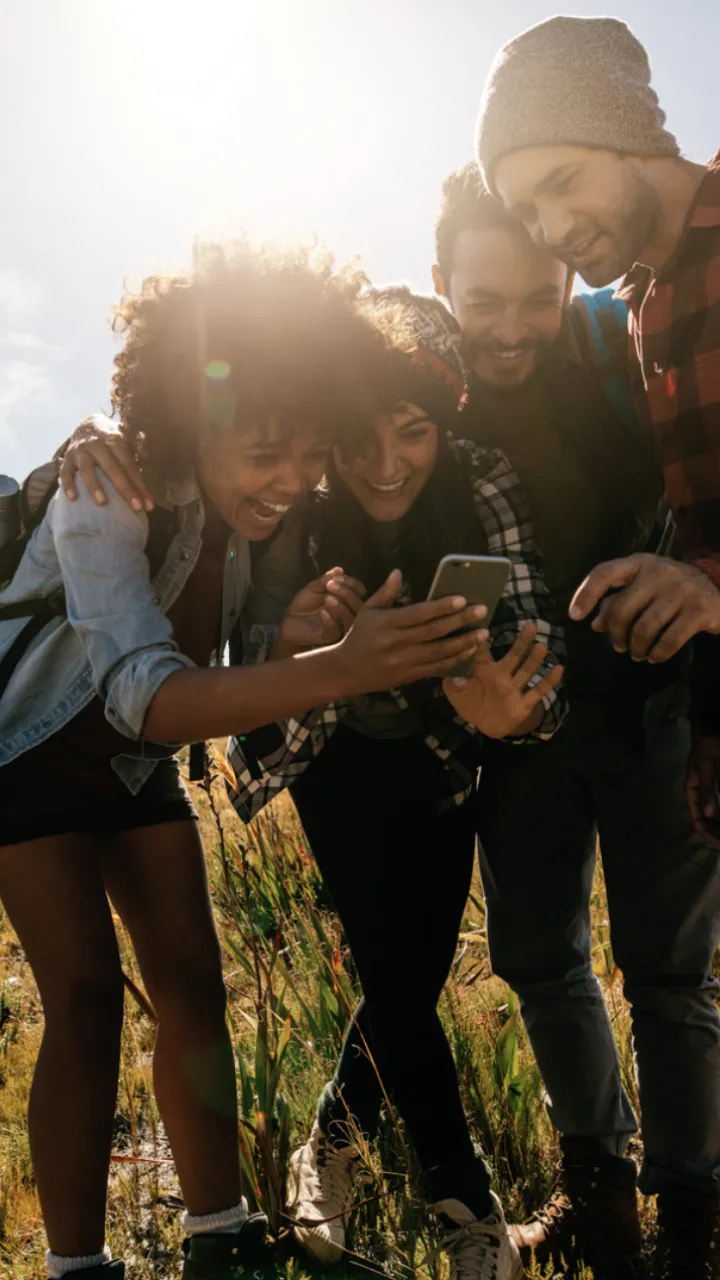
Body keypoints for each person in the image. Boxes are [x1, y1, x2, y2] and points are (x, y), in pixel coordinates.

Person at [0, 243, 493, 1280]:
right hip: (29, 754)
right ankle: (76, 1264)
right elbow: (147, 691)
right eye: (267, 453)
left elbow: (230, 670)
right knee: (85, 996)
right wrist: (335, 669)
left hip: (136, 770)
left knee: (192, 980)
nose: (294, 481)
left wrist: (299, 640)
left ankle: (221, 1238)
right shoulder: (103, 491)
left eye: (310, 452)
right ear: (193, 418)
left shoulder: (260, 519)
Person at [430, 161, 720, 1280]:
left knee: (670, 973)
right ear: (443, 278)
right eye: (482, 301)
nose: (510, 330)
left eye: (534, 299)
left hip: (656, 705)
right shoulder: (420, 377)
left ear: (567, 277)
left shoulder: (626, 345)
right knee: (542, 959)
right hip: (519, 730)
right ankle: (597, 1190)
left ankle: (692, 1210)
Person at [476, 14, 720, 851]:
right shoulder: (644, 313)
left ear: (627, 133)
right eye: (525, 209)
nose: (549, 230)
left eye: (563, 179)